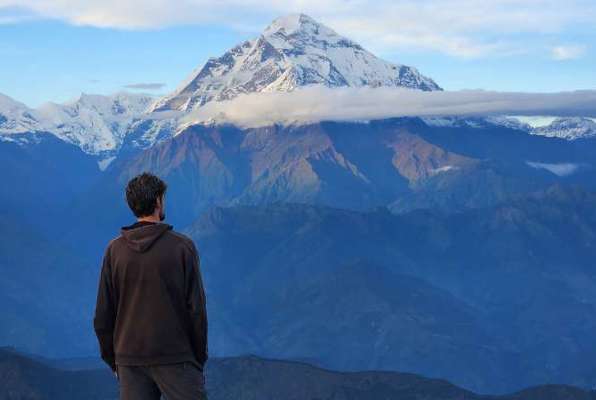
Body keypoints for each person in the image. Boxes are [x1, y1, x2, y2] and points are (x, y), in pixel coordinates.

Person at [93, 172, 208, 400]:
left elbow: (103, 316)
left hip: (129, 359)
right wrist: (197, 358)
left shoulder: (114, 251)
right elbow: (196, 310)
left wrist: (115, 360)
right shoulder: (182, 248)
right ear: (158, 201)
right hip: (176, 357)